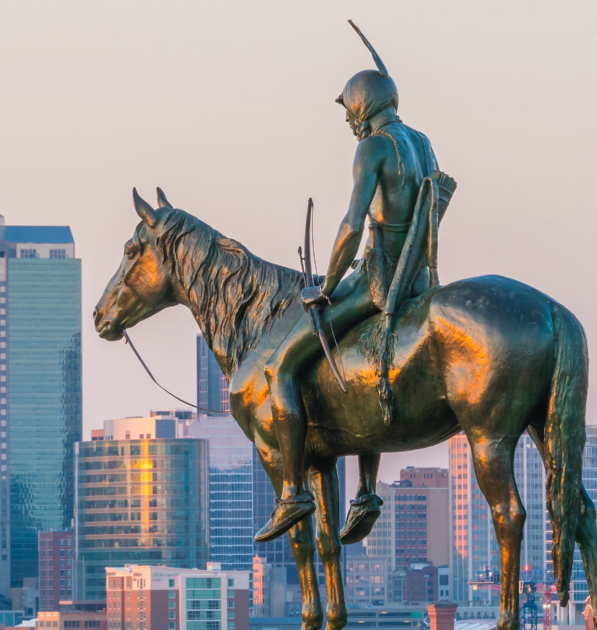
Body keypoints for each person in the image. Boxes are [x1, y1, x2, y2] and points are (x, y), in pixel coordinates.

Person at [254, 25, 441, 544]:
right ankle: (365, 492)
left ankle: (293, 491)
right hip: (420, 278)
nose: (346, 121)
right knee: (351, 364)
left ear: (362, 106)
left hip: (380, 280)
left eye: (347, 111)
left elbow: (352, 224)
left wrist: (327, 285)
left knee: (281, 365)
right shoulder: (421, 143)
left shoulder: (374, 149)